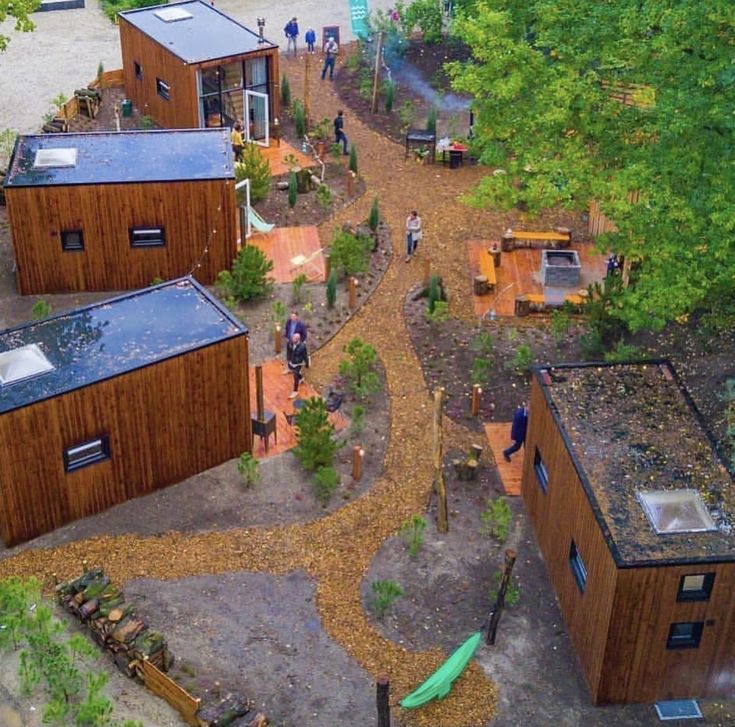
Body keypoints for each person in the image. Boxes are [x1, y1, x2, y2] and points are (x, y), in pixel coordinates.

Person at [288, 332, 308, 398]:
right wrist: (288, 359)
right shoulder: (290, 343)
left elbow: (305, 355)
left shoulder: (302, 346)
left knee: (295, 377)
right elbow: (288, 351)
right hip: (292, 362)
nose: (293, 339)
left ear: (298, 339)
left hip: (298, 363)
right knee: (293, 370)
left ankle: (295, 391)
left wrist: (307, 363)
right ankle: (301, 378)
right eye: (293, 337)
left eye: (295, 338)